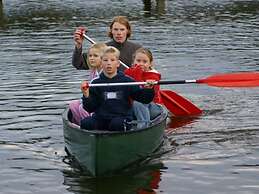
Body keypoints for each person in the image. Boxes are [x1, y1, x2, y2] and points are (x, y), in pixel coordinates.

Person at [80, 46, 155, 131]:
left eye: (112, 60)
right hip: (100, 118)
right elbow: (90, 108)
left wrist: (149, 89)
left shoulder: (128, 81)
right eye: (105, 60)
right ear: (101, 63)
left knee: (116, 124)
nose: (109, 63)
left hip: (121, 118)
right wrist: (86, 95)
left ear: (118, 63)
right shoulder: (95, 83)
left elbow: (144, 99)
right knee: (85, 123)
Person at [72, 16, 141, 71]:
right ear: (111, 31)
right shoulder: (102, 48)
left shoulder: (137, 49)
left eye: (122, 29)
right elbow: (78, 64)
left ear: (127, 31)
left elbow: (147, 69)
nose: (119, 33)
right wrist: (78, 45)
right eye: (116, 29)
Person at [68, 43, 108, 125]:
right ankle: (81, 125)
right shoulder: (93, 71)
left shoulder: (106, 73)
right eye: (90, 56)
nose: (92, 58)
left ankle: (92, 125)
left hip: (103, 103)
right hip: (93, 99)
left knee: (82, 108)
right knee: (73, 105)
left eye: (95, 56)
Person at [124, 48, 163, 127]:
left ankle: (143, 126)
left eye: (145, 62)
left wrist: (137, 74)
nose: (141, 64)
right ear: (133, 62)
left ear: (150, 64)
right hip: (133, 106)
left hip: (153, 107)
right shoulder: (129, 72)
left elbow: (142, 95)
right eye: (138, 61)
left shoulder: (153, 76)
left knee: (138, 103)